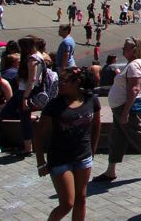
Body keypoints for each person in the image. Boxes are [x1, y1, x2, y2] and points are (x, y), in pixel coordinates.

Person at [94, 37, 141, 182]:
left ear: (134, 50)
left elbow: (134, 89)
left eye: (125, 47)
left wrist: (125, 113)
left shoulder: (134, 65)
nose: (123, 49)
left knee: (137, 135)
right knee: (116, 138)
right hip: (121, 108)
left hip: (126, 108)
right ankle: (110, 170)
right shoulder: (134, 63)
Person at [35, 67, 102, 221]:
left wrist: (93, 149)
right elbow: (39, 134)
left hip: (83, 156)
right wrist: (40, 162)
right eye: (60, 81)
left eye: (64, 82)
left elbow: (97, 125)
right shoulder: (54, 105)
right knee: (67, 203)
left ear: (77, 83)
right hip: (60, 158)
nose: (60, 85)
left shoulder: (91, 99)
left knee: (82, 198)